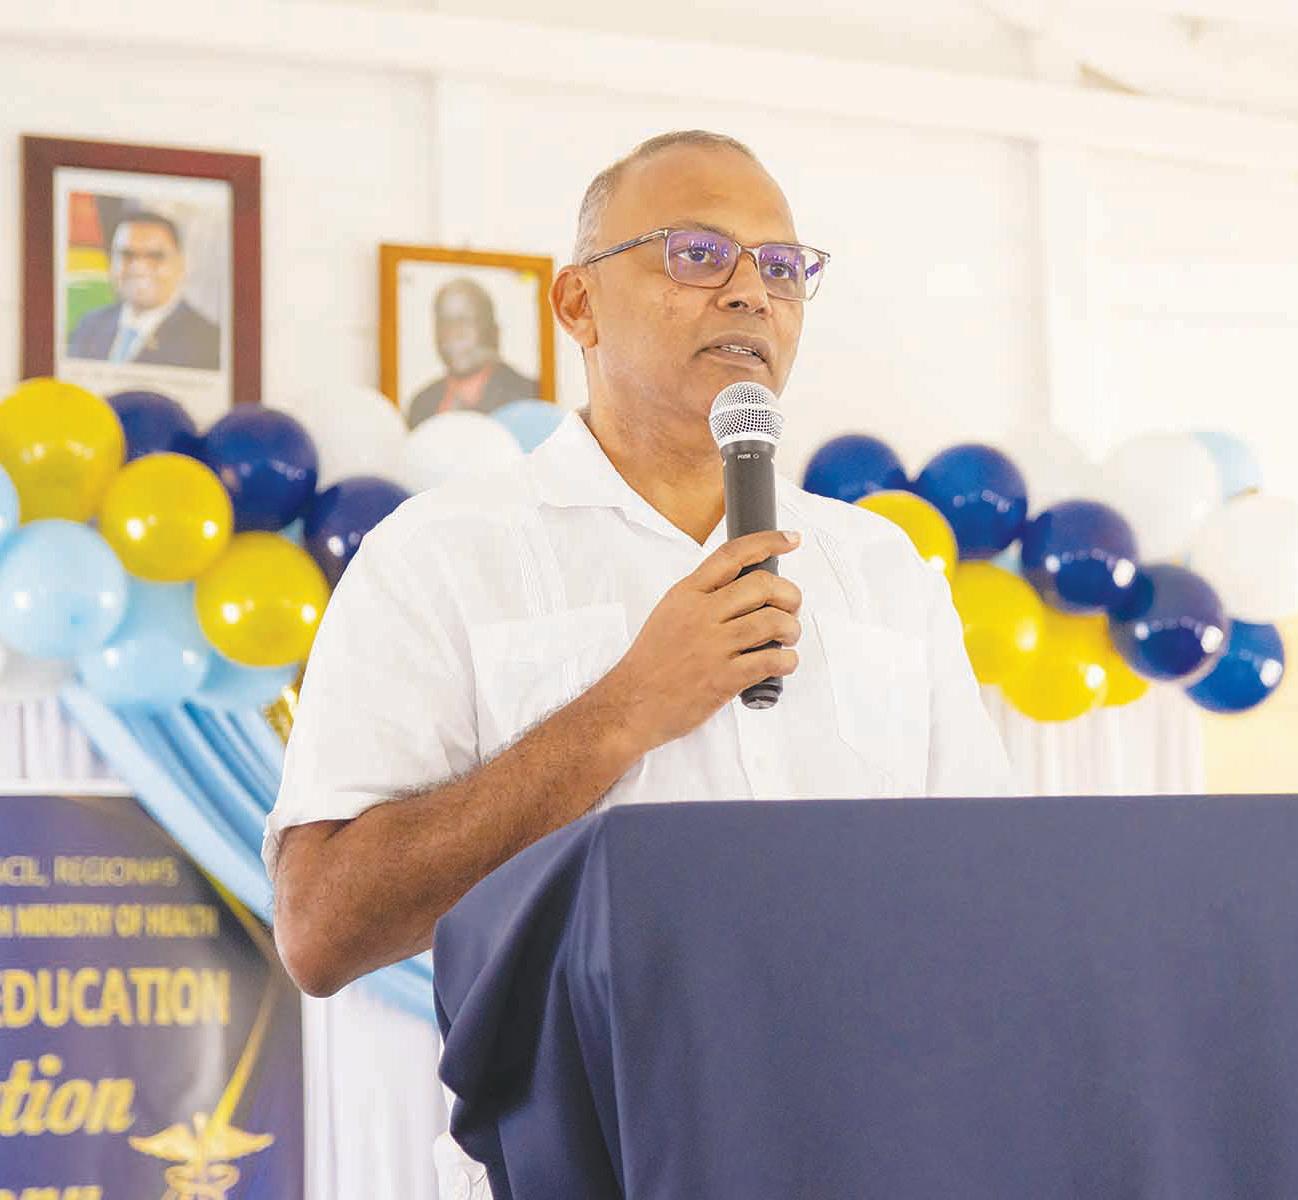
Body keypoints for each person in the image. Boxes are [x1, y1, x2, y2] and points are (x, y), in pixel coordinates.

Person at [265, 129, 1013, 1196]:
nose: (750, 292)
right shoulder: (437, 556)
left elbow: (984, 898)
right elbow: (321, 928)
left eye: (782, 267)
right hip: (585, 1166)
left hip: (874, 1156)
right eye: (696, 254)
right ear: (576, 304)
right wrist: (623, 711)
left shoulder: (882, 569)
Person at [67, 210, 221, 370]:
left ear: (182, 264)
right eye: (127, 254)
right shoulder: (89, 326)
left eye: (155, 256)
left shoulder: (209, 342)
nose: (139, 268)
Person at [406, 277, 539, 427]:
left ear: (493, 332)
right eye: (444, 322)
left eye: (465, 320)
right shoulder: (421, 406)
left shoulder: (530, 396)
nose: (452, 333)